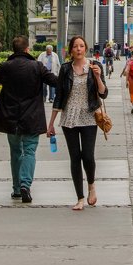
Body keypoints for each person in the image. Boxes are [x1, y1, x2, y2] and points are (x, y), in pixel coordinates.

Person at [0, 35, 59, 204]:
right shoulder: (37, 66)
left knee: (15, 152)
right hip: (31, 117)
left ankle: (16, 188)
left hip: (11, 118)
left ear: (14, 50)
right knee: (29, 151)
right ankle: (25, 185)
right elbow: (54, 81)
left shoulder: (6, 66)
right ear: (28, 49)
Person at [48, 35, 108, 210]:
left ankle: (91, 186)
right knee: (75, 157)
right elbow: (59, 96)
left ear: (86, 48)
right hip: (69, 117)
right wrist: (51, 123)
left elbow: (103, 93)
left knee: (88, 156)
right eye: (76, 46)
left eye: (82, 46)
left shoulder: (95, 66)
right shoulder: (66, 69)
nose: (79, 49)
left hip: (89, 115)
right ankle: (80, 198)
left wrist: (97, 77)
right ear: (71, 50)